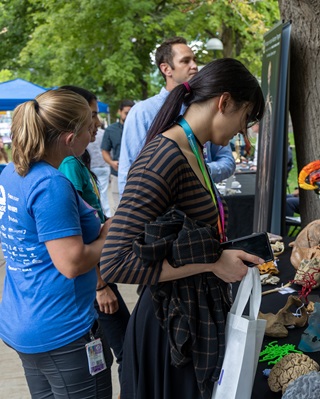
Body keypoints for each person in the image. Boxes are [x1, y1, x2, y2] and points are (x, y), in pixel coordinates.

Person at [100, 58, 265, 399]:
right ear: (224, 102)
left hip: (187, 322)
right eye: (245, 117)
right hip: (167, 333)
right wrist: (213, 263)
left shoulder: (193, 149)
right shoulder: (164, 156)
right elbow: (115, 262)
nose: (242, 131)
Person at [0, 89, 113, 398]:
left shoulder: (12, 172)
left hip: (25, 320)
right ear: (68, 137)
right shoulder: (51, 184)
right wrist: (108, 236)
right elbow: (72, 262)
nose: (92, 135)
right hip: (63, 330)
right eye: (89, 127)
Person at [58, 85, 130, 385]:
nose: (97, 124)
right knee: (126, 348)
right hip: (92, 276)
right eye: (92, 116)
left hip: (96, 268)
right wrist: (101, 285)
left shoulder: (76, 161)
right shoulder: (68, 165)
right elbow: (75, 235)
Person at [118, 36, 235, 196]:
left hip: (205, 210)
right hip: (162, 214)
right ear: (166, 69)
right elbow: (129, 171)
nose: (194, 66)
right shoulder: (142, 113)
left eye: (194, 60)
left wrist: (197, 169)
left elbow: (227, 161)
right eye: (185, 61)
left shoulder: (209, 109)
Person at [102, 99, 134, 214]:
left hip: (135, 174)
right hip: (117, 174)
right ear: (120, 112)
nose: (128, 116)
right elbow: (104, 150)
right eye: (126, 113)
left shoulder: (138, 127)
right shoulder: (111, 130)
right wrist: (111, 162)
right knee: (118, 209)